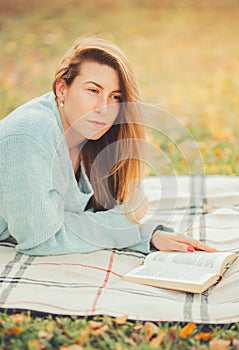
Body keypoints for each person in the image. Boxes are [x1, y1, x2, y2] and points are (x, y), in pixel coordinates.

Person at [0, 37, 216, 255]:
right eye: (93, 91)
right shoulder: (27, 137)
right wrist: (137, 233)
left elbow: (131, 207)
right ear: (62, 89)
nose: (104, 108)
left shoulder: (90, 133)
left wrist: (147, 233)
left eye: (115, 96)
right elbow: (42, 240)